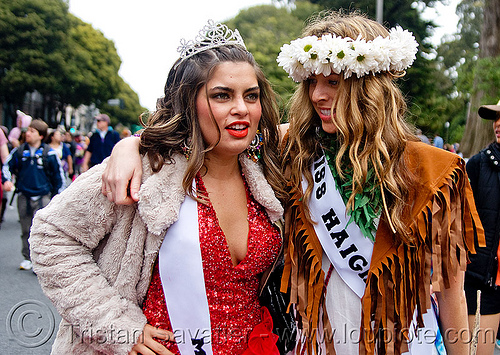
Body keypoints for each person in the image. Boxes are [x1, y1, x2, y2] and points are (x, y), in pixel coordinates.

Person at [102, 12, 485, 354]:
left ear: (370, 86)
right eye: (312, 82)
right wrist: (131, 145)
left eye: (333, 81)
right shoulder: (294, 150)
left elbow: (452, 291)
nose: (318, 95)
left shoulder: (436, 173)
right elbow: (208, 136)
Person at [29, 20, 287, 354]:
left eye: (251, 96)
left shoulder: (267, 167)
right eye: (222, 95)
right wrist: (117, 326)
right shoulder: (148, 169)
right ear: (188, 103)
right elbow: (51, 236)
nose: (241, 108)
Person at [2, 119, 64, 271]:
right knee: (25, 229)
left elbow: (59, 177)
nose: (27, 134)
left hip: (43, 196)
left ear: (41, 136)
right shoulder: (19, 151)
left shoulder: (49, 153)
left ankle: (41, 259)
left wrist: (59, 198)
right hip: (24, 195)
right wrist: (7, 181)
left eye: (32, 131)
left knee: (43, 231)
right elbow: (6, 167)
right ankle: (27, 258)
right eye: (27, 130)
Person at [465, 100, 500, 355]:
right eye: (496, 118)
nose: (498, 124)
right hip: (483, 280)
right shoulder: (478, 164)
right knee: (479, 351)